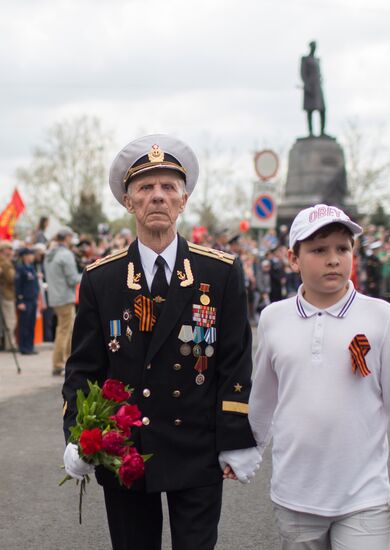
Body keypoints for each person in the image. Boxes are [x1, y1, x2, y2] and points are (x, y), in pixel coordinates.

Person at [62, 134, 261, 550]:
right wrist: (79, 435)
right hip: (126, 452)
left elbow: (234, 363)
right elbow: (84, 368)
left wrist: (235, 437)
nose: (158, 196)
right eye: (146, 187)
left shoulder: (219, 272)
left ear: (183, 200)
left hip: (196, 445)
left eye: (168, 187)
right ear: (129, 201)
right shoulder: (102, 278)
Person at [249, 204, 390, 549]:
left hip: (364, 497)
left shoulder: (382, 318)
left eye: (343, 249)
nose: (333, 259)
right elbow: (263, 401)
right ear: (293, 258)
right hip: (295, 494)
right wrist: (246, 453)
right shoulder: (273, 319)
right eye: (318, 250)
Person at [44, 227, 81, 375]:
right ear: (66, 238)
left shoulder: (50, 254)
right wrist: (89, 274)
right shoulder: (65, 254)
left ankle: (64, 360)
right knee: (64, 331)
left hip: (55, 297)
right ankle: (59, 364)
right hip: (65, 297)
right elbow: (73, 279)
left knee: (63, 330)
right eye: (71, 238)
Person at [15, 248, 39, 355]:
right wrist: (19, 301)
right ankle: (23, 347)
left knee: (31, 324)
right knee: (24, 325)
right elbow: (18, 286)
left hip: (32, 299)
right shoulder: (21, 269)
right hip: (25, 300)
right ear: (25, 256)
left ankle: (30, 346)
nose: (32, 257)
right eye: (30, 255)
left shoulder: (32, 268)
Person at [300, 41, 326, 137]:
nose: (314, 48)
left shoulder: (317, 59)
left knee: (322, 109)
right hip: (310, 87)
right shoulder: (305, 59)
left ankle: (322, 131)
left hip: (318, 87)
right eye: (313, 46)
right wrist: (307, 85)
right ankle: (310, 132)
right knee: (309, 110)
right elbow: (302, 73)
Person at [0, 241, 18, 351]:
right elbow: (12, 278)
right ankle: (10, 344)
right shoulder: (5, 263)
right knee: (10, 320)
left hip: (5, 294)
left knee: (8, 321)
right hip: (6, 294)